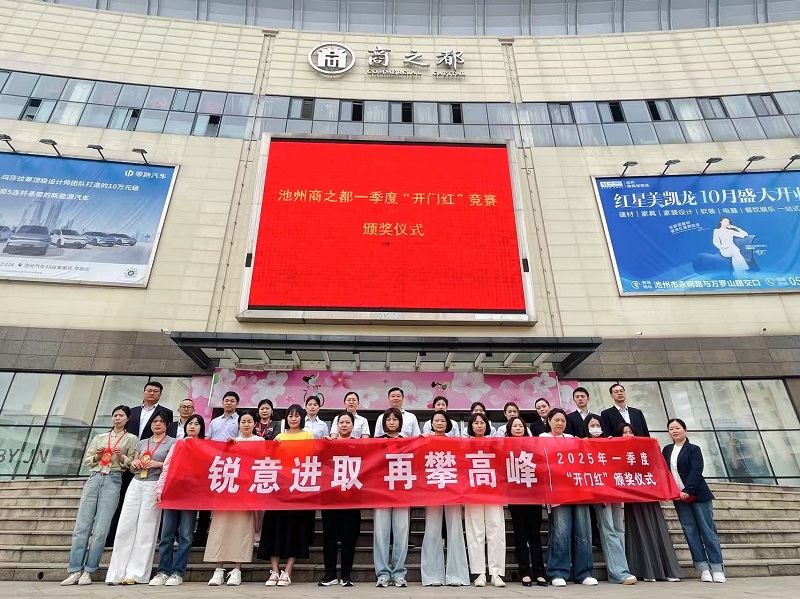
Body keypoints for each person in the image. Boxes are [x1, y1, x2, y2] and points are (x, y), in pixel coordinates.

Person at [61, 406, 138, 586]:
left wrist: (121, 457)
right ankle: (74, 570)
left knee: (101, 529)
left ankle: (89, 570)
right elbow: (87, 461)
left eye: (121, 415)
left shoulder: (131, 439)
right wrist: (97, 456)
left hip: (114, 478)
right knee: (81, 527)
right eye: (115, 415)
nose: (117, 418)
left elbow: (131, 464)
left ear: (127, 418)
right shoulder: (100, 437)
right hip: (95, 477)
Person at [106, 407, 176, 585]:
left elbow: (172, 466)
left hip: (154, 484)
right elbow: (131, 468)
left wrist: (158, 464)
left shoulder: (173, 443)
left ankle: (137, 574)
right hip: (136, 482)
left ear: (167, 424)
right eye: (154, 421)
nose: (157, 424)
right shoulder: (142, 442)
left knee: (147, 528)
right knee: (125, 525)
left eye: (161, 421)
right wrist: (135, 463)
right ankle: (116, 573)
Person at [107, 381, 173, 545]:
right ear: (143, 392)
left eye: (156, 391)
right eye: (149, 390)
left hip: (153, 470)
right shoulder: (132, 412)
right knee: (123, 502)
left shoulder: (165, 413)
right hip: (131, 459)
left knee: (148, 512)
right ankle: (113, 536)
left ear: (160, 394)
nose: (152, 393)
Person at [259, 404, 316, 587]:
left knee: (296, 529)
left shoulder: (308, 436)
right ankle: (274, 571)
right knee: (274, 527)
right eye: (290, 416)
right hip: (279, 488)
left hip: (298, 488)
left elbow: (310, 458)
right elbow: (270, 459)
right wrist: (273, 448)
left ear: (302, 418)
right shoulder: (280, 437)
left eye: (296, 416)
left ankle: (288, 571)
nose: (293, 419)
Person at [663, 418, 725, 583]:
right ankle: (703, 568)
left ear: (685, 430)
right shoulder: (667, 450)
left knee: (707, 531)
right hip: (679, 498)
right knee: (690, 532)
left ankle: (717, 568)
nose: (674, 431)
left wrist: (687, 490)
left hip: (697, 495)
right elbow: (664, 471)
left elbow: (696, 470)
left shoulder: (693, 449)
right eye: (671, 429)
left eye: (677, 428)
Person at [540, 409, 597, 587]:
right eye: (556, 420)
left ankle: (584, 572)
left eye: (563, 420)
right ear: (549, 421)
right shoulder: (542, 438)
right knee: (561, 531)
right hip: (558, 491)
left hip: (579, 489)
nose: (560, 423)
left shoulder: (572, 438)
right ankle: (557, 572)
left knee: (583, 531)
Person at [619, 422, 682, 582]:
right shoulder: (617, 454)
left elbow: (657, 468)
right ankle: (646, 571)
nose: (628, 435)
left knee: (657, 529)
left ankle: (667, 570)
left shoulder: (645, 450)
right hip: (633, 498)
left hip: (650, 495)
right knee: (638, 531)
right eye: (624, 432)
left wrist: (654, 447)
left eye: (630, 432)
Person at [206, 411, 263, 586]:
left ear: (255, 424)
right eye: (243, 421)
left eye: (249, 421)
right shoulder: (230, 442)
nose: (246, 424)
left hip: (247, 492)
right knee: (220, 527)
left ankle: (237, 569)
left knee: (243, 529)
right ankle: (218, 569)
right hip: (228, 491)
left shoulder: (260, 442)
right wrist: (227, 448)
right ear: (238, 424)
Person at [150, 414, 206, 586]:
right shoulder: (177, 445)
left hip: (191, 495)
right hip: (172, 493)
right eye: (190, 423)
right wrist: (160, 489)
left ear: (201, 428)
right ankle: (163, 571)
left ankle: (177, 572)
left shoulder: (205, 446)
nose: (192, 426)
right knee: (166, 535)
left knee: (186, 536)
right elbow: (167, 467)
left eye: (196, 424)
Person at [584, 415, 637, 585]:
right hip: (600, 491)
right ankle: (618, 572)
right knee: (608, 529)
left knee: (619, 528)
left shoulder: (610, 443)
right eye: (592, 425)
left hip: (615, 489)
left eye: (598, 424)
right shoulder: (584, 444)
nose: (595, 428)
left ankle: (623, 568)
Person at [420, 411, 469, 587]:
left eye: (443, 420)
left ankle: (457, 575)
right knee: (432, 530)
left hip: (453, 490)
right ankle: (432, 575)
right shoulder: (425, 441)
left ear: (448, 424)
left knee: (455, 529)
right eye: (436, 421)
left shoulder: (455, 442)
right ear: (431, 424)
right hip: (432, 489)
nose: (439, 423)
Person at [319, 412, 362, 587]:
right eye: (341, 422)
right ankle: (330, 574)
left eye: (347, 422)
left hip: (352, 498)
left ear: (353, 425)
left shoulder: (361, 445)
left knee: (349, 538)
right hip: (331, 498)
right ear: (336, 426)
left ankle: (346, 575)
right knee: (329, 538)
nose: (344, 425)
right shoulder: (329, 444)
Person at [464, 412, 506, 587]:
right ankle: (479, 573)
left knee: (496, 530)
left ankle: (496, 573)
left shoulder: (495, 443)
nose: (479, 426)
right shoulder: (464, 444)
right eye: (476, 423)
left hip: (493, 491)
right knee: (475, 532)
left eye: (482, 423)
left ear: (487, 426)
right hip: (472, 492)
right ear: (471, 426)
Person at [505, 416, 547, 587]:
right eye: (514, 426)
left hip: (533, 495)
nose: (518, 428)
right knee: (521, 535)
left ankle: (539, 572)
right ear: (509, 429)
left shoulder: (533, 445)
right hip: (515, 496)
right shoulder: (504, 445)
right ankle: (524, 572)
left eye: (520, 426)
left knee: (535, 535)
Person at [374, 407, 410, 587]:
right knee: (381, 533)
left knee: (402, 532)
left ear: (400, 422)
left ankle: (399, 572)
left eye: (395, 419)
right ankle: (382, 573)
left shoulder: (408, 442)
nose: (392, 422)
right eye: (388, 419)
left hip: (402, 492)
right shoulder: (376, 442)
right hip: (381, 492)